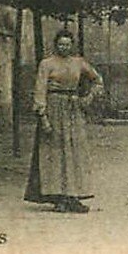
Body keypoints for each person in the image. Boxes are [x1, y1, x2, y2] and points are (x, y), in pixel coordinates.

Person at [25, 28, 103, 213]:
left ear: (72, 45)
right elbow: (40, 88)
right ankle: (58, 197)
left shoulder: (79, 63)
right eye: (61, 44)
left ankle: (73, 196)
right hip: (53, 109)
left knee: (74, 152)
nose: (64, 47)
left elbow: (97, 80)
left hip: (73, 110)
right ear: (55, 45)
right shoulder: (47, 64)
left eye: (67, 44)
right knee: (54, 154)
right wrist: (42, 116)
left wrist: (87, 98)